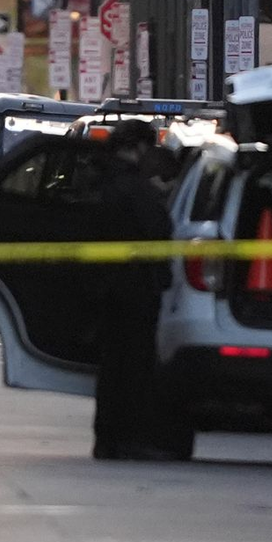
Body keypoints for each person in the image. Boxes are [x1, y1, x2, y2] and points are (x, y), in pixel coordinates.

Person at [91, 119, 179, 460]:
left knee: (112, 366)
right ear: (139, 147)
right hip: (135, 288)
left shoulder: (99, 179)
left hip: (107, 286)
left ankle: (108, 438)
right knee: (134, 366)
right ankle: (127, 438)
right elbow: (159, 227)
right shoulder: (133, 186)